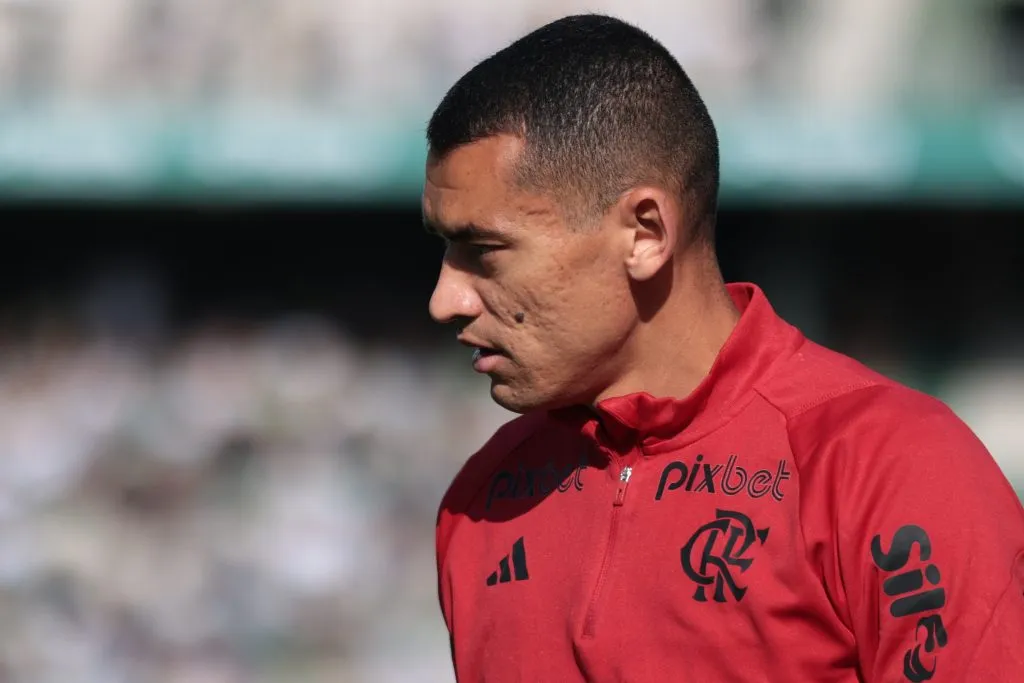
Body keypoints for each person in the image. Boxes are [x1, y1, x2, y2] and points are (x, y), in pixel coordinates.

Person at [423, 14, 1024, 683]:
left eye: (484, 250)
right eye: (445, 250)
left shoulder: (890, 465)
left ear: (644, 233)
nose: (446, 299)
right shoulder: (479, 500)